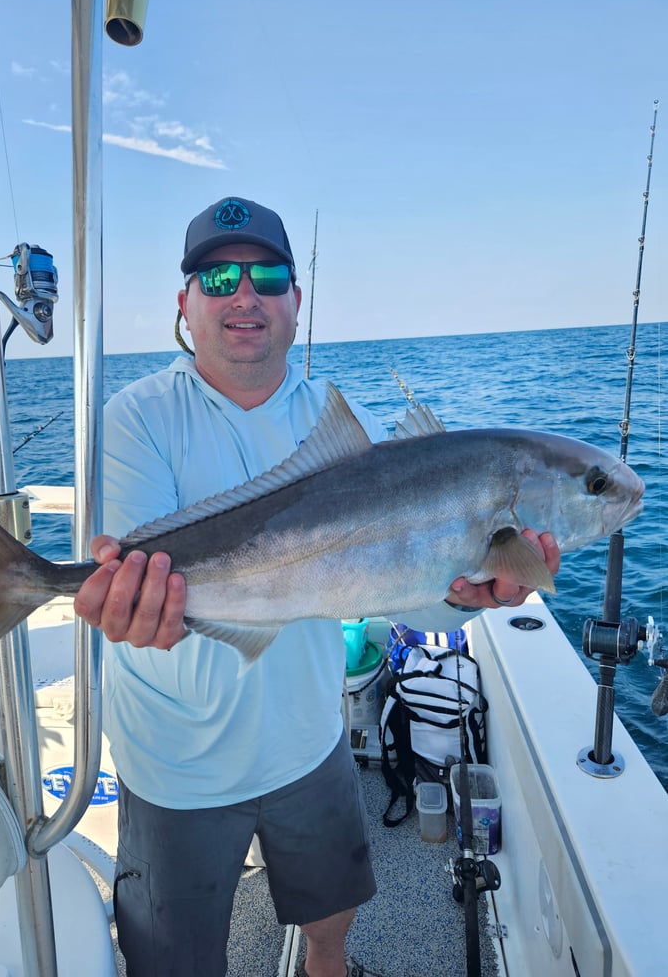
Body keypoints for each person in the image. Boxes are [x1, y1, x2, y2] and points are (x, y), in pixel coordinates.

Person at [73, 196, 560, 977]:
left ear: (295, 301)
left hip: (309, 738)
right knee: (174, 960)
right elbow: (135, 581)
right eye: (219, 275)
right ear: (185, 302)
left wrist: (466, 594)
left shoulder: (341, 424)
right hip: (176, 757)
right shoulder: (135, 418)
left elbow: (402, 587)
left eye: (268, 275)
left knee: (333, 916)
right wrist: (131, 608)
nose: (245, 294)